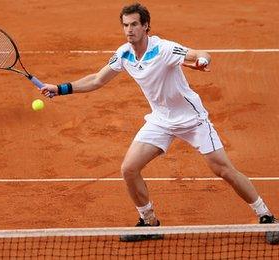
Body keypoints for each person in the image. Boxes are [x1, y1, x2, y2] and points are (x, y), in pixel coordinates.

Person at [39, 3, 278, 244]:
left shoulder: (164, 48)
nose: (129, 30)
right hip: (161, 120)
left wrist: (203, 60)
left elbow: (198, 54)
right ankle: (149, 222)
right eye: (125, 25)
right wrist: (61, 89)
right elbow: (97, 79)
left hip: (192, 120)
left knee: (223, 169)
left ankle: (267, 216)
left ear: (146, 27)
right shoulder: (124, 54)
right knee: (129, 169)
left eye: (134, 24)